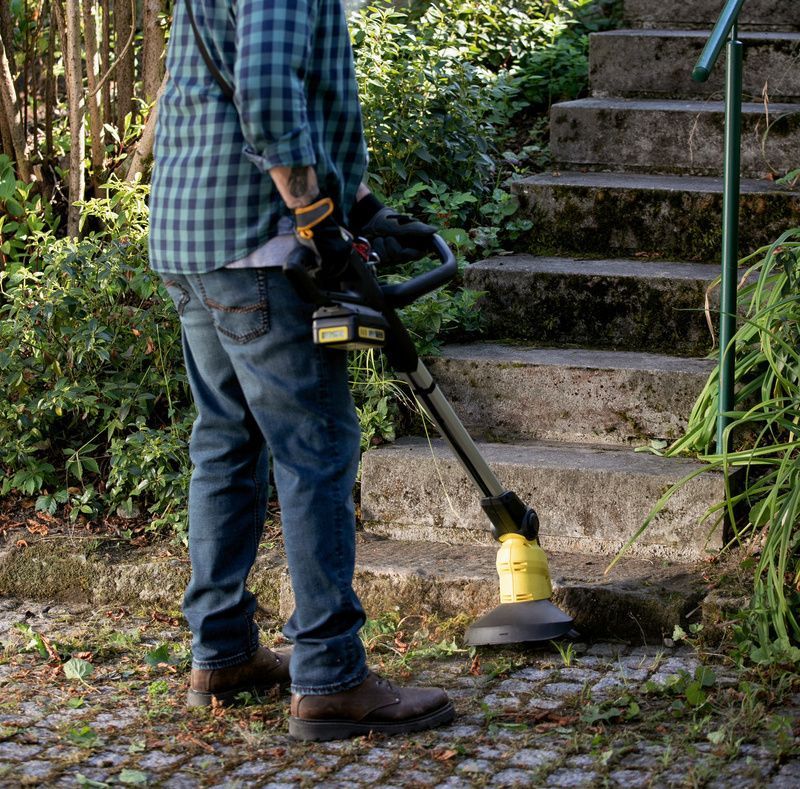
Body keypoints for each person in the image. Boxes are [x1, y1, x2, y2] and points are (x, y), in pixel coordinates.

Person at [147, 0, 455, 740]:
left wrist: (362, 207)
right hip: (260, 249)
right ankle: (330, 674)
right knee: (315, 447)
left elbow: (222, 89)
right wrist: (315, 216)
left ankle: (220, 651)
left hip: (194, 242)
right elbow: (264, 88)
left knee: (226, 444)